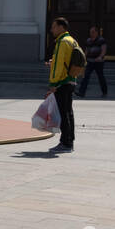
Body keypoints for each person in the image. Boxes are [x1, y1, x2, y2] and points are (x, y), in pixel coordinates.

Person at [46, 17, 79, 153]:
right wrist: (53, 63)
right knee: (68, 112)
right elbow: (64, 62)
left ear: (61, 27)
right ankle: (69, 140)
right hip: (71, 80)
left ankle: (65, 143)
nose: (52, 30)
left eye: (54, 27)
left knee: (63, 113)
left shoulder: (62, 42)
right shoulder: (72, 41)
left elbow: (59, 67)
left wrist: (54, 84)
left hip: (62, 82)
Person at [76, 24, 108, 98]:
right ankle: (81, 92)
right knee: (86, 76)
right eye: (90, 32)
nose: (91, 33)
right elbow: (87, 50)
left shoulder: (101, 40)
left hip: (98, 62)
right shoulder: (89, 40)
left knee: (101, 77)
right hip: (90, 61)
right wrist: (84, 58)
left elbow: (104, 50)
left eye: (93, 32)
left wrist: (100, 57)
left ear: (97, 32)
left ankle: (104, 92)